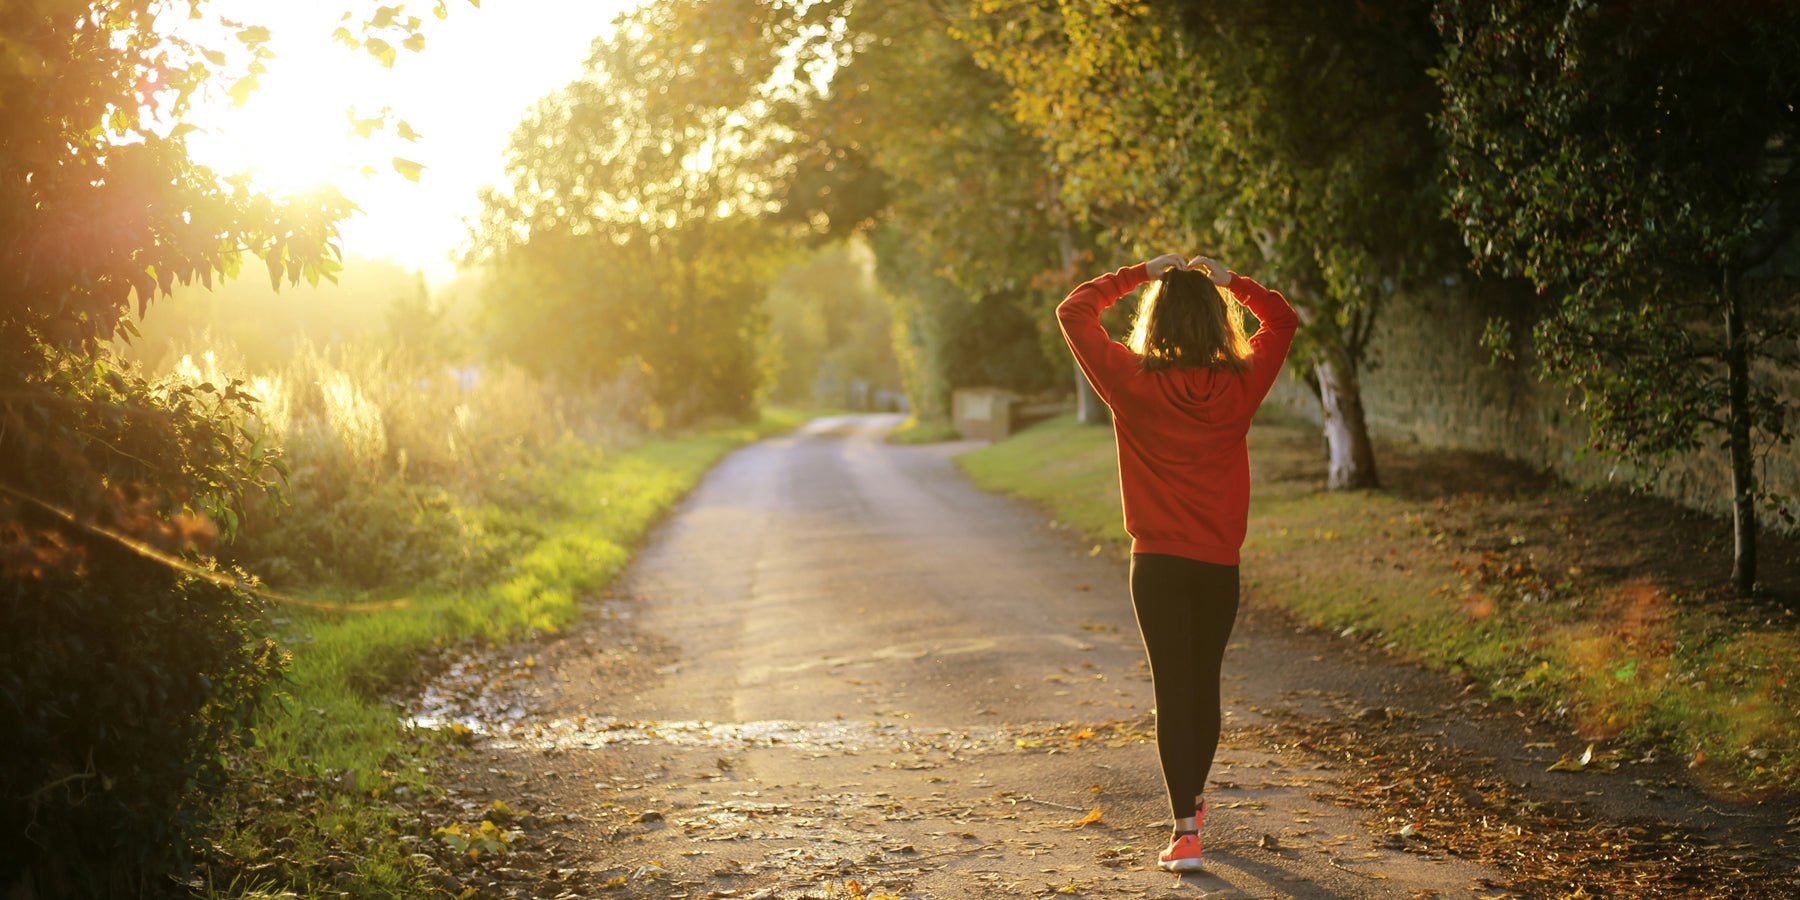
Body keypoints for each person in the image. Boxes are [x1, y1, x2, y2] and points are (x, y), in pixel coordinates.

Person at [1055, 252, 1298, 873]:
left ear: (1155, 320)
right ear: (1218, 321)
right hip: (1218, 564)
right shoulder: (1241, 383)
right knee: (1203, 683)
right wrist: (1232, 282)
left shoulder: (1131, 380)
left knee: (1173, 688)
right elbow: (1283, 319)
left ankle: (1185, 830)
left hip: (1157, 564)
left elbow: (1074, 311)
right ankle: (1190, 805)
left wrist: (1139, 273)